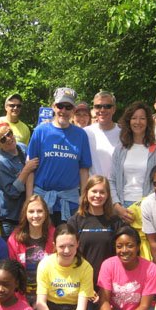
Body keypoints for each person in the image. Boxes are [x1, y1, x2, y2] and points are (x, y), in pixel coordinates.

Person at [26, 87, 92, 225]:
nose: (63, 111)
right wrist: (29, 199)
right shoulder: (40, 131)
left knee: (67, 244)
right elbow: (31, 168)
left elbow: (84, 170)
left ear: (73, 110)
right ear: (53, 107)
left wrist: (83, 198)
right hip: (42, 201)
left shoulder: (81, 135)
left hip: (70, 201)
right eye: (60, 106)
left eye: (68, 107)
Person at [36, 225, 94, 310]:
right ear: (54, 245)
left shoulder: (86, 268)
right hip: (51, 307)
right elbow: (41, 303)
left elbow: (81, 308)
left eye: (71, 245)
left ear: (77, 244)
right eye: (62, 246)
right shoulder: (45, 264)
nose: (67, 251)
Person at [109, 101, 156, 223]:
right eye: (134, 118)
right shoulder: (120, 149)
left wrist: (141, 206)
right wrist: (117, 207)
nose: (138, 122)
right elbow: (112, 180)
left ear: (148, 122)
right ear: (129, 121)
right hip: (122, 208)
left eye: (142, 118)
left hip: (148, 208)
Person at [67, 175, 122, 287]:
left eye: (102, 192)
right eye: (94, 191)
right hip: (81, 281)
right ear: (86, 193)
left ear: (107, 195)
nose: (98, 195)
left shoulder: (115, 222)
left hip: (108, 282)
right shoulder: (75, 220)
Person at [0, 122, 39, 238]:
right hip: (11, 218)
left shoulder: (23, 148)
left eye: (9, 133)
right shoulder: (1, 163)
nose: (8, 139)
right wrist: (26, 170)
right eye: (2, 139)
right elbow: (12, 192)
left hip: (29, 213)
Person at [7, 196, 56, 305]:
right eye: (31, 211)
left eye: (39, 211)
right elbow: (12, 271)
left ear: (46, 213)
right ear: (25, 214)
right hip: (22, 295)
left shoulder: (55, 235)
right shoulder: (14, 238)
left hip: (50, 295)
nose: (36, 215)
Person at [84, 91, 121, 178]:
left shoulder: (124, 133)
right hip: (94, 189)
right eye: (98, 106)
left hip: (117, 189)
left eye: (107, 106)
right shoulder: (86, 133)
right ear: (93, 109)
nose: (102, 110)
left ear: (114, 109)